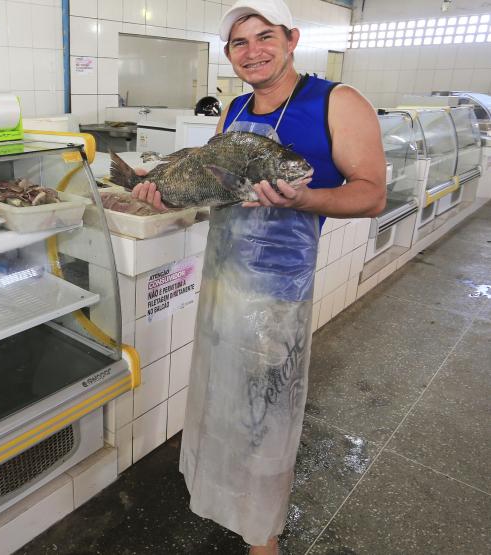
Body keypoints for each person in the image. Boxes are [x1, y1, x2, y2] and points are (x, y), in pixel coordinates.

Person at [132, 1, 386, 553]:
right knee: (219, 396)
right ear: (229, 55)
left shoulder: (337, 101)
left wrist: (306, 198)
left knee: (267, 410)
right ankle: (220, 499)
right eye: (239, 43)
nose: (253, 52)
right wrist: (164, 194)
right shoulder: (236, 108)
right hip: (223, 280)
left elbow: (371, 192)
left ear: (292, 38)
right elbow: (219, 189)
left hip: (276, 291)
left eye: (265, 37)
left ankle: (262, 533)